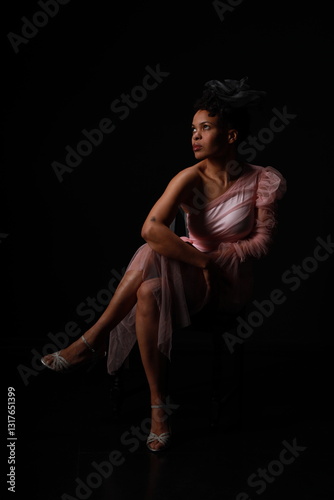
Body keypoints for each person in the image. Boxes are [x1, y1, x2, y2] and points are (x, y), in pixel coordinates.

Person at [41, 77, 287, 452]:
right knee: (150, 287)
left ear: (232, 136)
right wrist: (199, 261)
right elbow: (149, 229)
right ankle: (159, 409)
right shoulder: (189, 177)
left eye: (205, 128)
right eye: (193, 129)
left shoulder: (260, 179)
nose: (195, 136)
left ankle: (91, 340)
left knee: (155, 255)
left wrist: (213, 262)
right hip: (192, 269)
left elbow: (263, 242)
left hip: (228, 281)